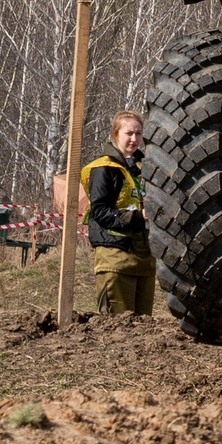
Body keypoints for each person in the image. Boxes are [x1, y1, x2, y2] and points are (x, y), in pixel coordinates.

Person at [82, 111, 156, 316]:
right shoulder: (103, 168)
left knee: (144, 327)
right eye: (129, 133)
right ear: (116, 134)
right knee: (118, 326)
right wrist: (139, 216)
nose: (134, 139)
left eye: (139, 134)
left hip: (144, 257)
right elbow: (100, 212)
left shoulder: (146, 167)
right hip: (115, 257)